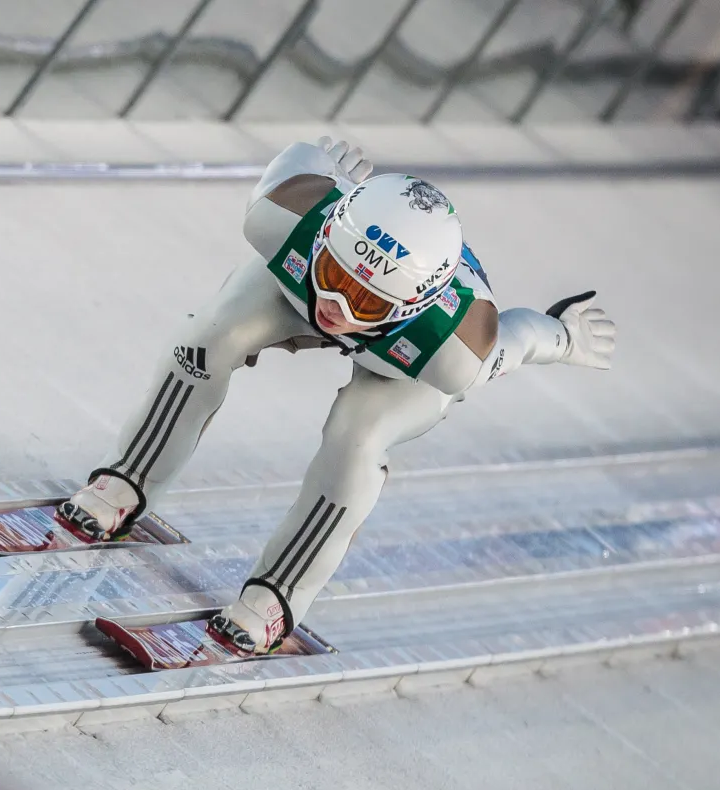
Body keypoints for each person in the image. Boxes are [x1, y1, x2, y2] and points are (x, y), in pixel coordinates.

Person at [56, 137, 617, 654]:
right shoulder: (283, 215)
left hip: (401, 365)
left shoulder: (453, 352)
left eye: (364, 303)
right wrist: (321, 166)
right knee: (207, 338)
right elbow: (300, 163)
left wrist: (561, 334)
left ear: (408, 310)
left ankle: (277, 597)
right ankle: (128, 479)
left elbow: (516, 339)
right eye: (335, 274)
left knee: (356, 439)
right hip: (317, 299)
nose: (334, 308)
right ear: (326, 232)